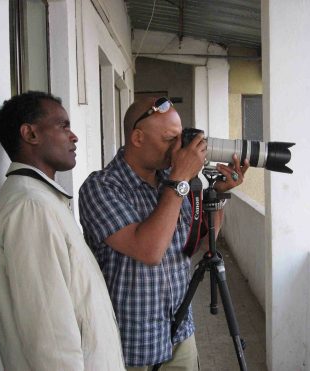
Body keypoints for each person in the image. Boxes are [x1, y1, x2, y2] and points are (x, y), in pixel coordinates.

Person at [79, 96, 248, 370]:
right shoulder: (101, 187)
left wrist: (218, 194)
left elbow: (201, 246)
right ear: (137, 137)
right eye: (170, 139)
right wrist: (180, 179)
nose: (178, 149)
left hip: (180, 332)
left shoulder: (171, 181)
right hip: (131, 344)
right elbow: (149, 251)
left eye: (181, 139)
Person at [0, 91, 125, 371]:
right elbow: (49, 336)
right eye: (63, 126)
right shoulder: (31, 207)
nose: (73, 136)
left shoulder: (42, 199)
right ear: (30, 134)